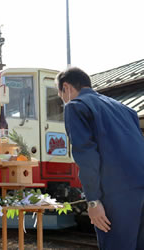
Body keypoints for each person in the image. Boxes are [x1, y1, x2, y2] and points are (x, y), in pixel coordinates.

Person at [55, 67, 144, 250]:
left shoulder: (76, 106)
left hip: (116, 193)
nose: (63, 100)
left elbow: (86, 156)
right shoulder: (126, 110)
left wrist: (93, 201)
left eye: (60, 95)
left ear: (66, 87)